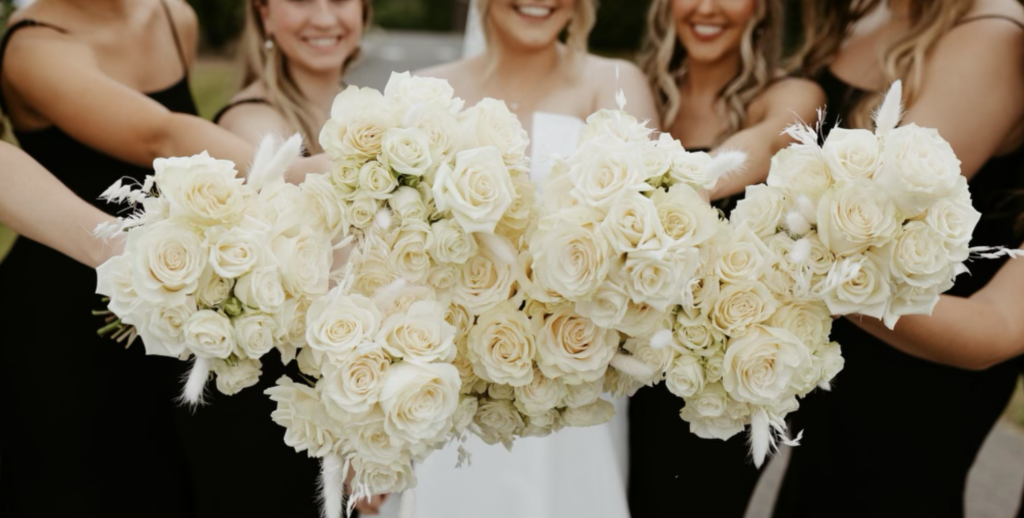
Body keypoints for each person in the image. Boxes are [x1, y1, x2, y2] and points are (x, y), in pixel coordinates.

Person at [0, 1, 326, 515]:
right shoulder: (33, 46)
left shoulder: (176, 17)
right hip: (65, 308)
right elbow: (161, 134)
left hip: (175, 295)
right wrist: (296, 173)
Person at [374, 1, 657, 516]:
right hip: (448, 389)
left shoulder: (613, 83)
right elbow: (389, 265)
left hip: (573, 383)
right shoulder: (425, 90)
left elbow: (645, 233)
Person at [773, 1, 1024, 516]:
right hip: (840, 349)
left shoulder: (991, 36)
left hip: (916, 371)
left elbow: (870, 213)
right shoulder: (868, 13)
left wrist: (764, 257)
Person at [628, 1, 824, 516]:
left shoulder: (792, 94)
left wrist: (689, 192)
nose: (707, 7)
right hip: (616, 367)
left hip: (713, 382)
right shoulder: (629, 89)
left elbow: (761, 141)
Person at [181, 1, 371, 516]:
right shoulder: (252, 119)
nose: (324, 18)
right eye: (301, 0)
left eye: (340, 0)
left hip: (349, 388)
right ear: (264, 15)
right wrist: (364, 435)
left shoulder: (364, 113)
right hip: (278, 407)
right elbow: (329, 277)